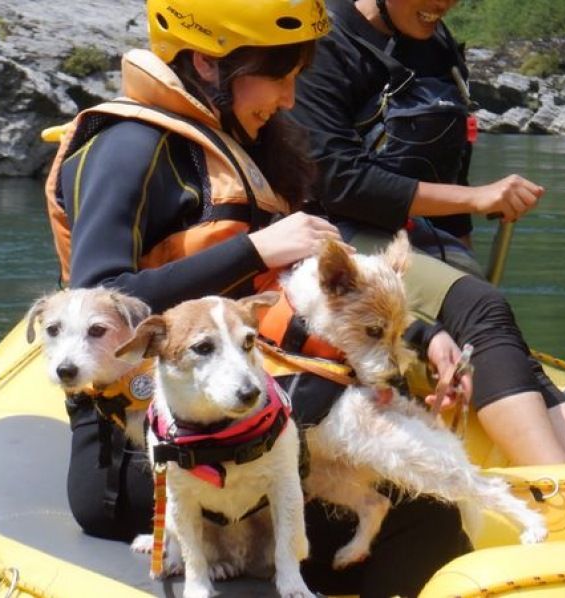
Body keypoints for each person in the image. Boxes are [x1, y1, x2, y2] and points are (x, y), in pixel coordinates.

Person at [42, 1, 472, 595]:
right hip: (147, 462)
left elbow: (299, 297)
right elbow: (102, 299)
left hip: (256, 421)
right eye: (281, 75)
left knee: (420, 506)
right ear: (209, 65)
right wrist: (255, 250)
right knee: (419, 524)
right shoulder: (129, 149)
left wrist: (424, 336)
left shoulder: (248, 147)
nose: (291, 99)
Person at [290, 0, 565, 466]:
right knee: (483, 306)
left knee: (488, 320)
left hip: (419, 237)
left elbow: (448, 159)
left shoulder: (436, 45)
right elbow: (341, 181)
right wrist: (479, 200)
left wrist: (462, 252)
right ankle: (553, 483)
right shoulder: (325, 43)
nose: (444, 3)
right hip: (335, 236)